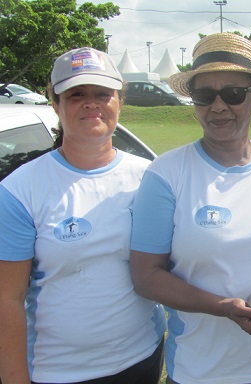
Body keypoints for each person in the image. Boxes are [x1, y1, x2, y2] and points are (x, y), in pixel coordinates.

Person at [129, 32, 251, 384]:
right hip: (198, 370)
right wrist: (222, 307)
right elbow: (146, 277)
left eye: (234, 94)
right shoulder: (166, 175)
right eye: (205, 95)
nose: (218, 107)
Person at [0, 47, 166, 384]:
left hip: (143, 358)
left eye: (103, 94)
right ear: (55, 104)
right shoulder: (20, 190)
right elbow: (8, 298)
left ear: (119, 101)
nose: (92, 103)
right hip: (57, 372)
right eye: (77, 94)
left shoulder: (150, 177)